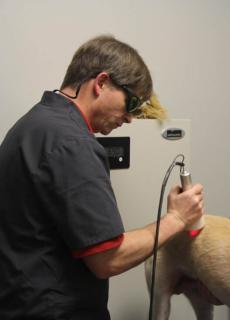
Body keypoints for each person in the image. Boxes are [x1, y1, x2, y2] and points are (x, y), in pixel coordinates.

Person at [0, 35, 204, 319]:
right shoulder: (74, 144)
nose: (131, 118)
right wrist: (177, 219)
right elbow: (108, 259)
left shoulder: (30, 126)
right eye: (131, 103)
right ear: (102, 83)